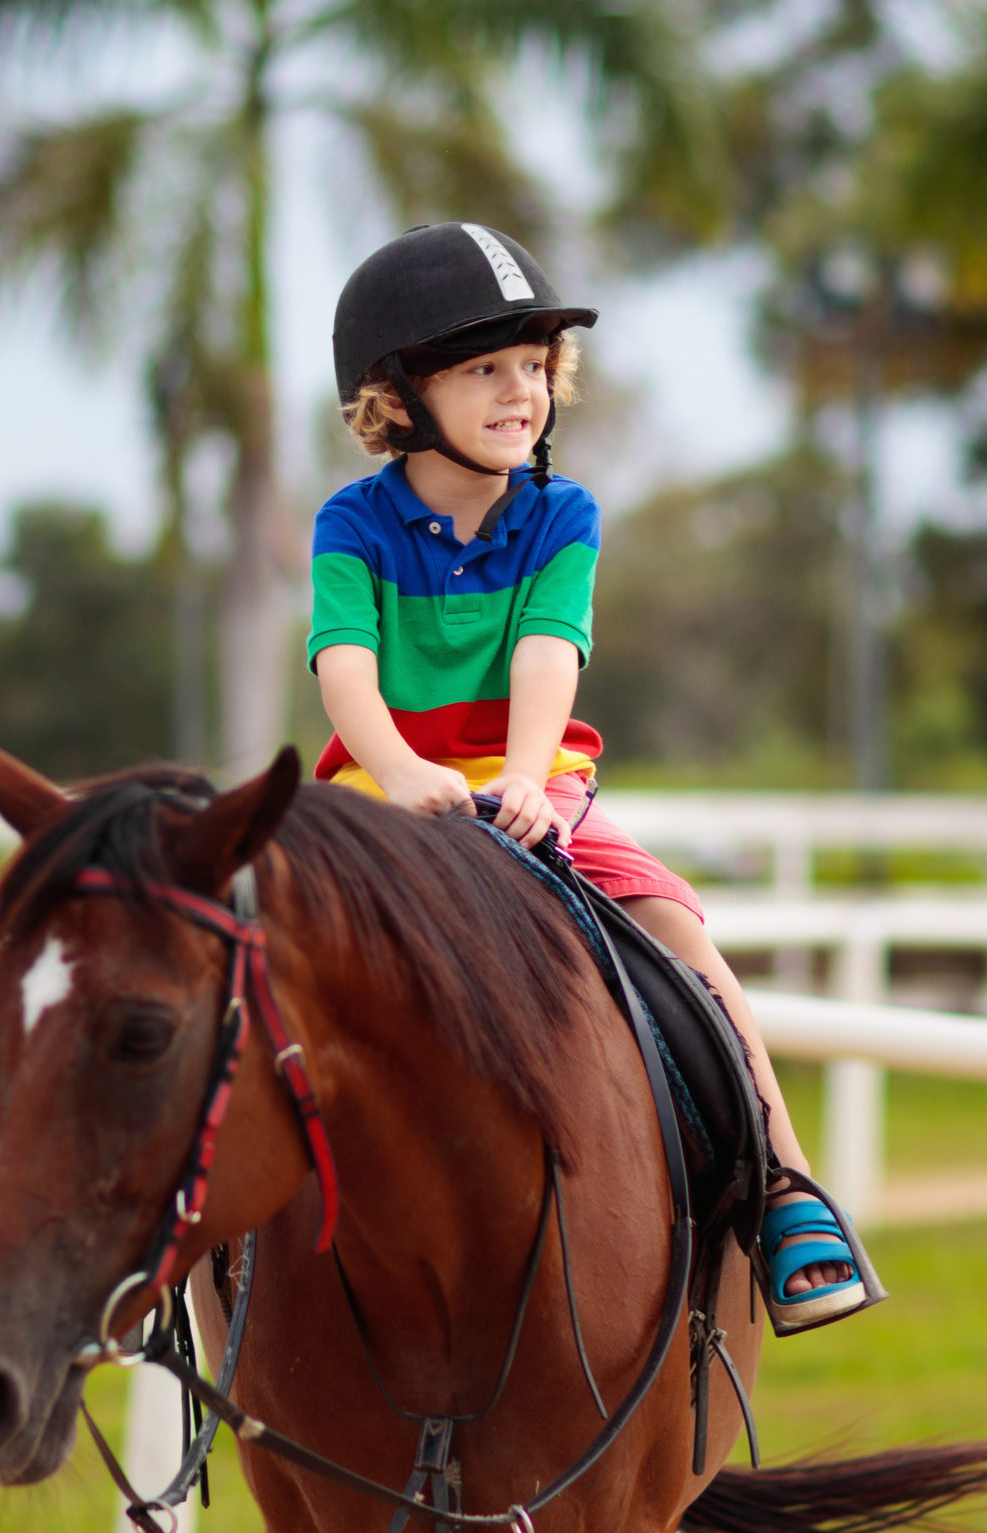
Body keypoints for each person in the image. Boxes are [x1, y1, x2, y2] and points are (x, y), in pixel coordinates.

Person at [307, 221, 872, 1335]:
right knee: (262, 952)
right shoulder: (352, 523)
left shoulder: (560, 516)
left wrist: (523, 781)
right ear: (398, 396)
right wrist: (402, 771)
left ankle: (784, 1190)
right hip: (385, 790)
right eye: (485, 370)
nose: (522, 393)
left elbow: (547, 652)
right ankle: (208, 1246)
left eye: (534, 369)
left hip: (531, 781)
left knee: (672, 923)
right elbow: (345, 669)